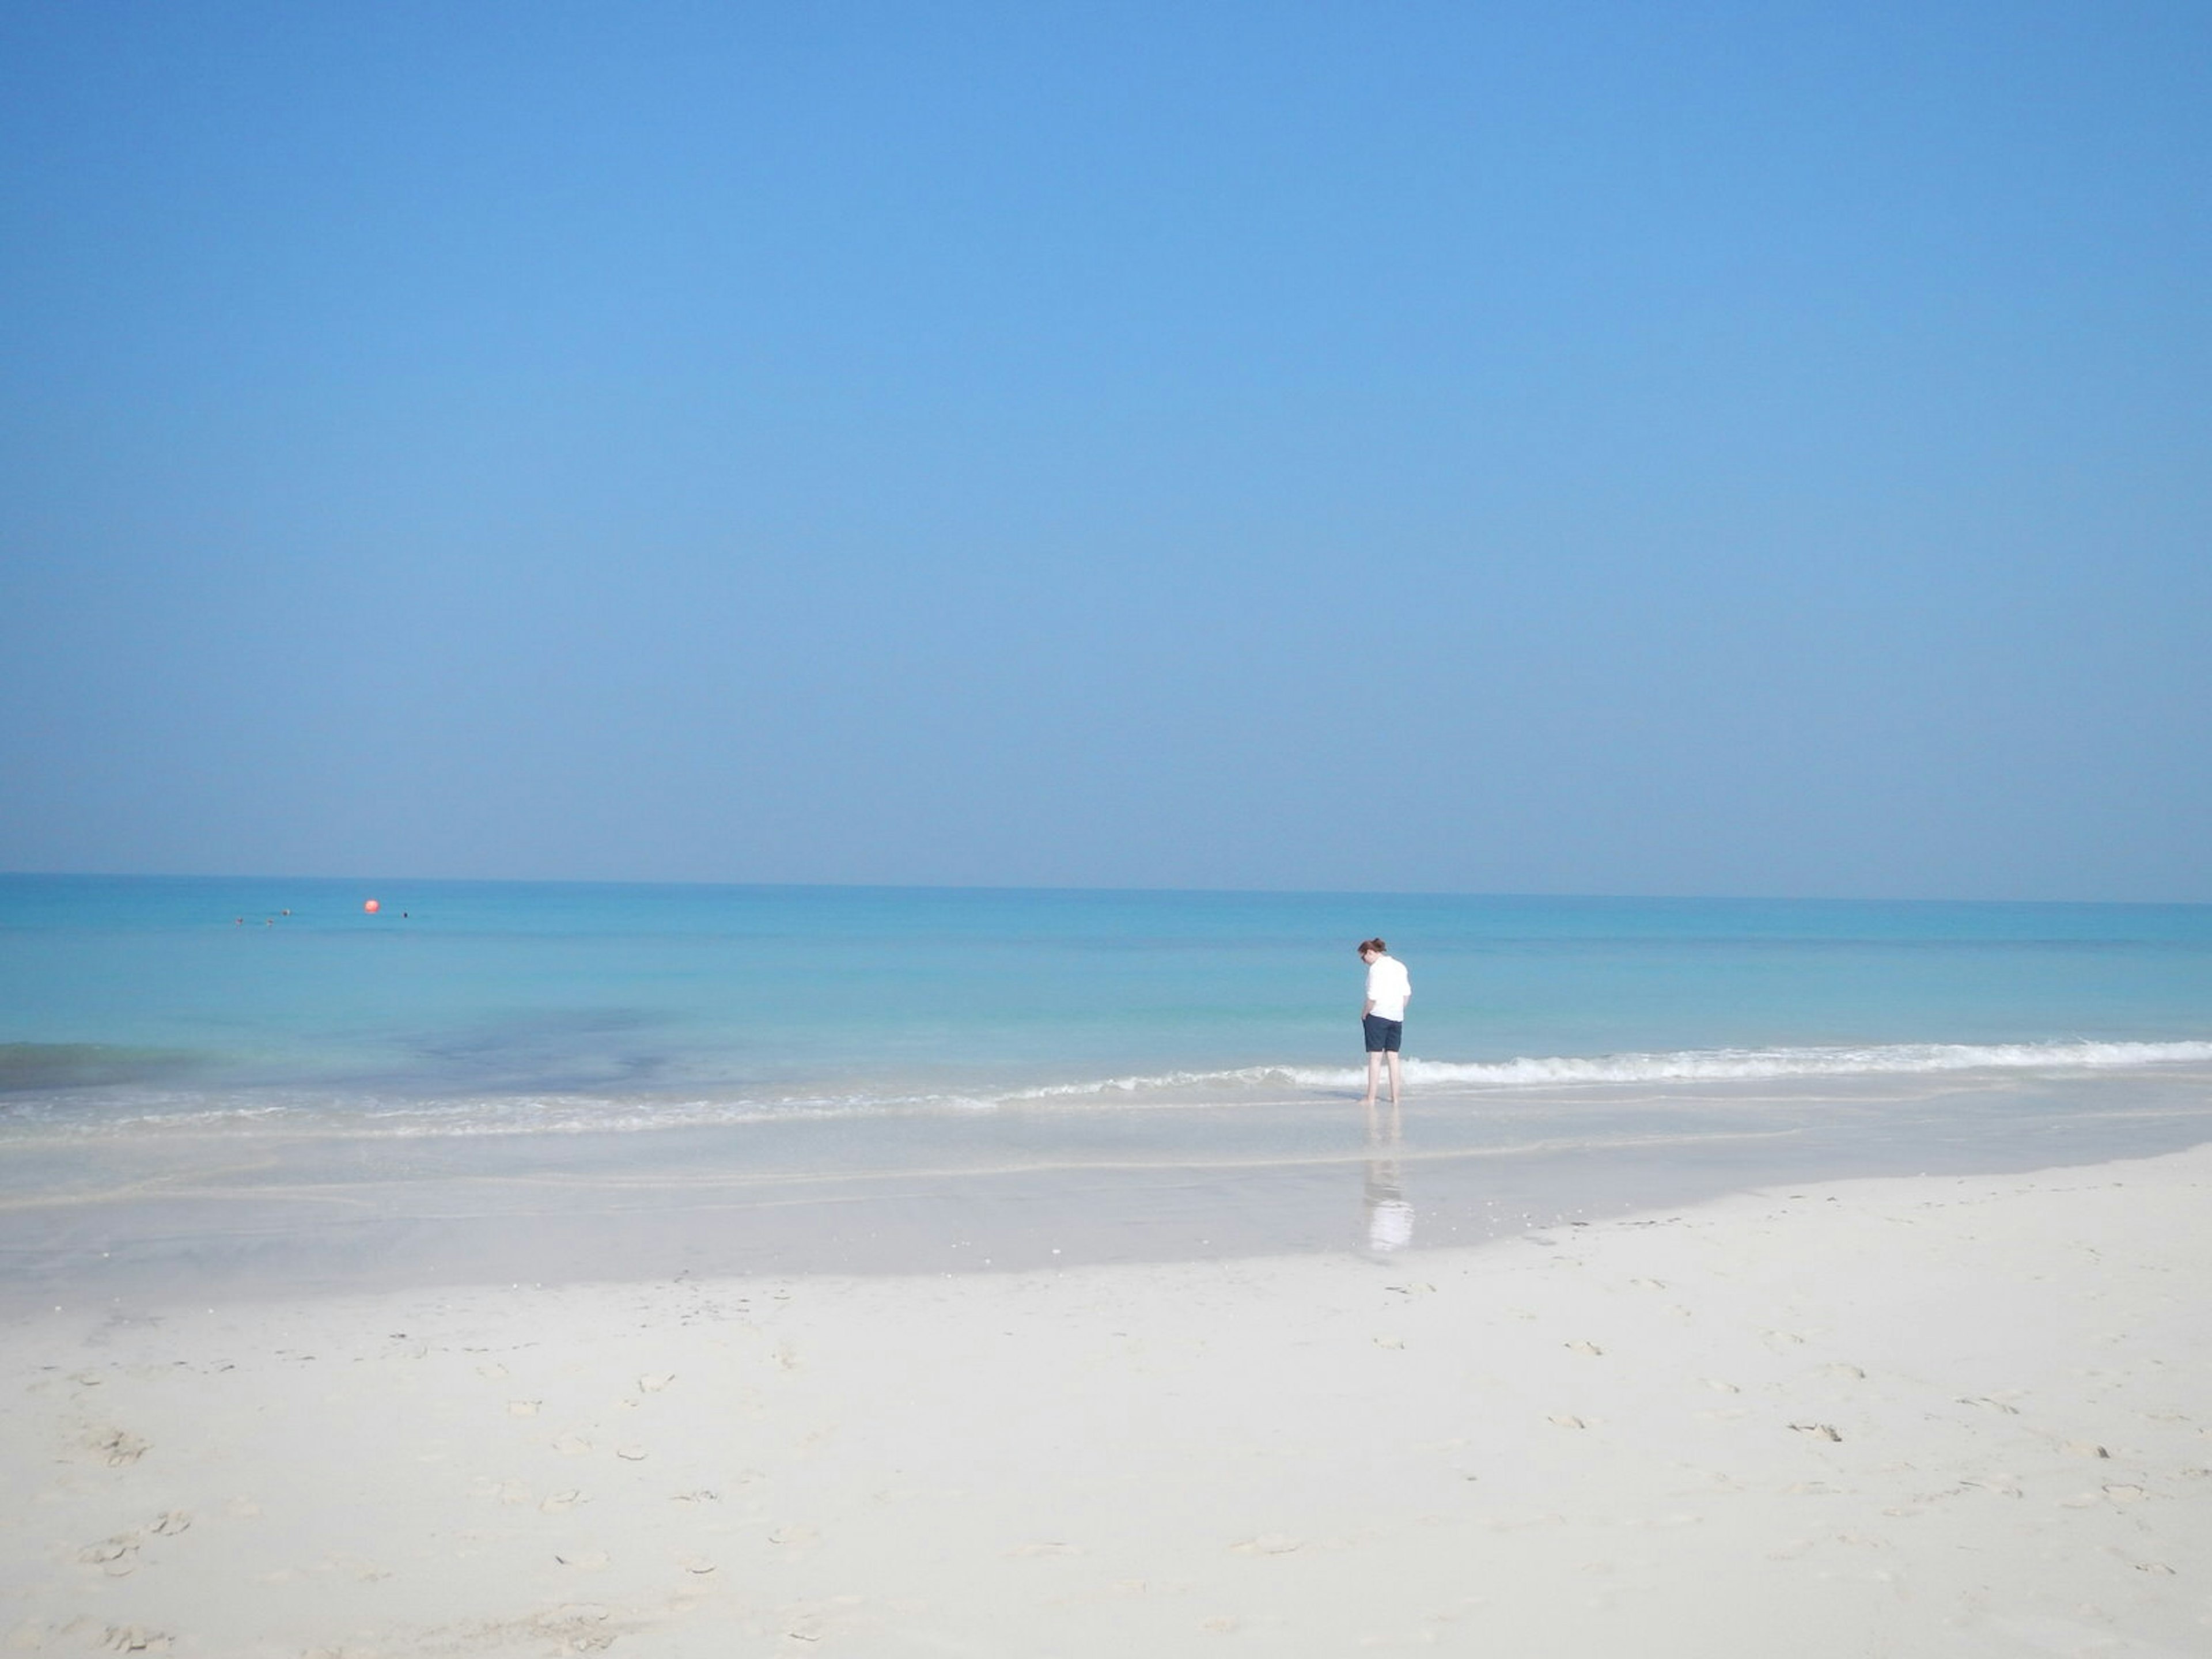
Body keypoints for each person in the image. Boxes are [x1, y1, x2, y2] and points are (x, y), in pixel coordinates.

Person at [1357, 937, 1411, 1108]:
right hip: (1396, 1016)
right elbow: (1407, 994)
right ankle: (1396, 1098)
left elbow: (1373, 997)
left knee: (1375, 1058)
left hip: (1378, 1015)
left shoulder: (1376, 969)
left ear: (1370, 952)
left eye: (1363, 957)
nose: (1363, 961)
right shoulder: (1399, 966)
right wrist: (1397, 1009)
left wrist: (1365, 1013)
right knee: (1393, 1057)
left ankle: (1371, 1098)